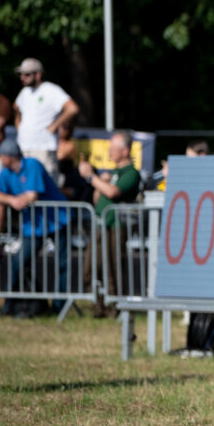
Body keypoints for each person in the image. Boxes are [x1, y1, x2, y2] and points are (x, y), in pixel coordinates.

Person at [0, 138, 70, 315]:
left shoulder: (32, 165)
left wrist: (19, 200)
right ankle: (10, 305)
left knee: (62, 263)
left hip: (57, 219)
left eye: (1, 155)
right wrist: (11, 200)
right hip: (33, 225)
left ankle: (59, 307)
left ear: (10, 157)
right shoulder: (6, 172)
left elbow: (32, 195)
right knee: (19, 262)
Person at [79, 131, 142, 317]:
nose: (109, 152)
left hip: (116, 226)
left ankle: (114, 309)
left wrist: (91, 177)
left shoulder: (131, 173)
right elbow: (97, 197)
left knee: (112, 270)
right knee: (90, 269)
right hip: (100, 224)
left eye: (113, 148)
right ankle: (98, 307)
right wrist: (100, 182)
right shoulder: (113, 173)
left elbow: (113, 193)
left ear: (125, 150)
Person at [13, 58, 79, 181]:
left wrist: (54, 126)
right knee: (28, 190)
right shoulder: (25, 92)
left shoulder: (51, 90)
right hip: (25, 149)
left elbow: (72, 108)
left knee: (46, 190)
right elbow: (16, 107)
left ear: (38, 74)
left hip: (43, 149)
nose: (22, 77)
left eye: (27, 74)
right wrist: (20, 127)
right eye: (21, 74)